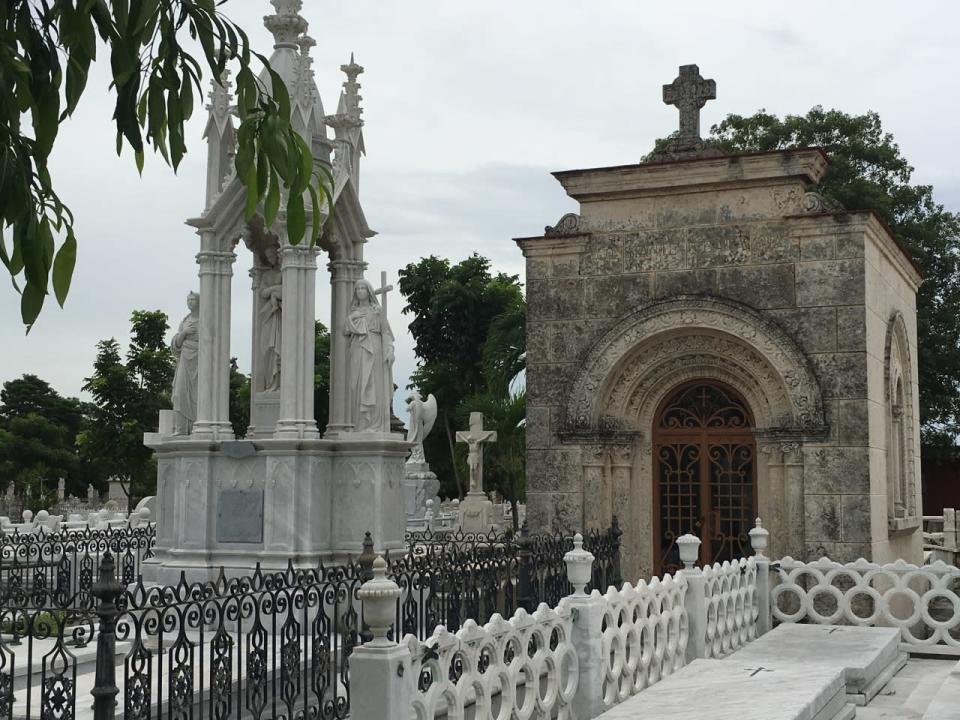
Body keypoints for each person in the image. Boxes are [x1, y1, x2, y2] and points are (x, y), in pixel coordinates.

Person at [345, 279, 395, 432]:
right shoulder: (353, 312)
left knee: (374, 384)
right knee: (357, 385)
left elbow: (386, 332)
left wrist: (389, 349)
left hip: (374, 347)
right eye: (357, 288)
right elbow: (345, 330)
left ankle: (375, 424)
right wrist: (352, 318)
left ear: (369, 291)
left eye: (363, 288)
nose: (360, 291)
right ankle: (360, 424)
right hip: (357, 349)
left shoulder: (377, 311)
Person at [171, 292, 200, 435]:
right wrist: (184, 333)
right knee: (179, 393)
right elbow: (176, 344)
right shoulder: (185, 321)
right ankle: (181, 428)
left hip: (200, 360)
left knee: (198, 394)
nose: (190, 302)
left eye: (193, 299)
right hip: (185, 359)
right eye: (188, 300)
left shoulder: (205, 319)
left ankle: (196, 427)